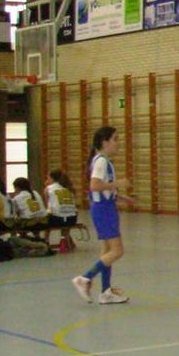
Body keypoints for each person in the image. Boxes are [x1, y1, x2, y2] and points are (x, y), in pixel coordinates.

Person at [71, 126, 134, 305]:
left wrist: (121, 197)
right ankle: (84, 278)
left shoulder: (102, 161)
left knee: (107, 251)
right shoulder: (101, 162)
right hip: (104, 210)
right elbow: (95, 186)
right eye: (115, 139)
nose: (118, 143)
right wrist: (117, 183)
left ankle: (106, 292)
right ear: (105, 142)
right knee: (117, 250)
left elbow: (100, 190)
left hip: (104, 207)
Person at [45, 170, 80, 251]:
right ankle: (65, 238)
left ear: (52, 179)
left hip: (57, 220)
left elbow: (48, 207)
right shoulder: (68, 188)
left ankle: (46, 240)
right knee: (65, 215)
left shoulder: (48, 189)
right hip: (72, 219)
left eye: (48, 178)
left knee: (47, 217)